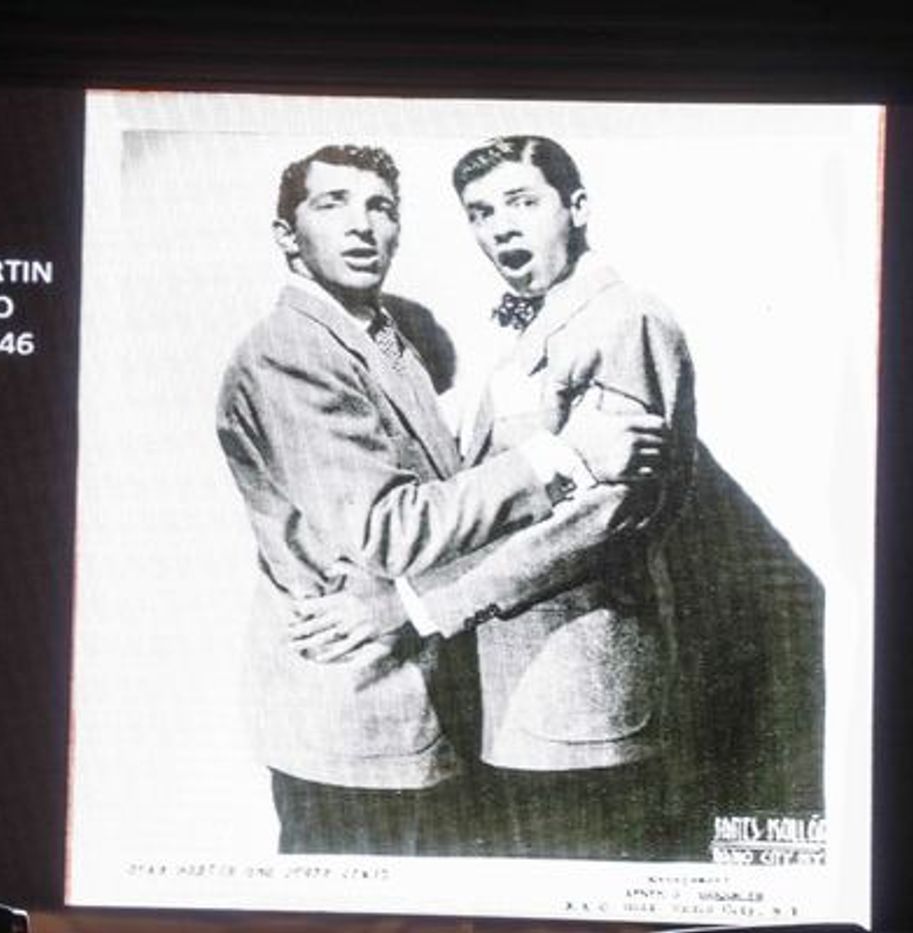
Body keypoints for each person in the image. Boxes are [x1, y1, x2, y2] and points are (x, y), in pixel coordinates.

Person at [214, 143, 667, 855]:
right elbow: (390, 529)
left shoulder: (383, 340)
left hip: (465, 706)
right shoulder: (292, 350)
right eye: (333, 204)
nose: (362, 225)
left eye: (381, 207)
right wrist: (563, 455)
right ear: (286, 235)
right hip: (356, 710)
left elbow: (603, 512)